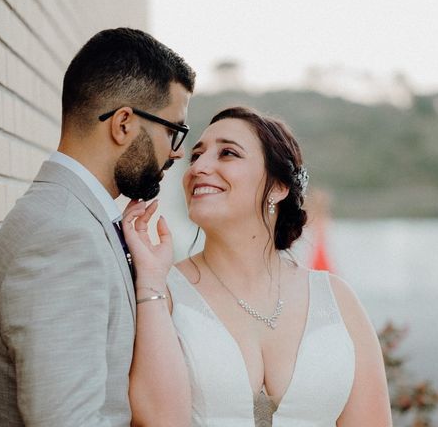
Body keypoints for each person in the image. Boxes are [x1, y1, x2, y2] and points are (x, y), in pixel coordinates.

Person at [0, 27, 195, 426]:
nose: (177, 152)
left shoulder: (73, 218)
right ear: (124, 123)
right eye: (173, 131)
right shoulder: (62, 236)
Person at [123, 106, 392, 426]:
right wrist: (150, 283)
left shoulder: (337, 301)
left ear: (278, 187)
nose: (198, 167)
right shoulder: (161, 293)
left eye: (227, 153)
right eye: (196, 156)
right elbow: (155, 420)